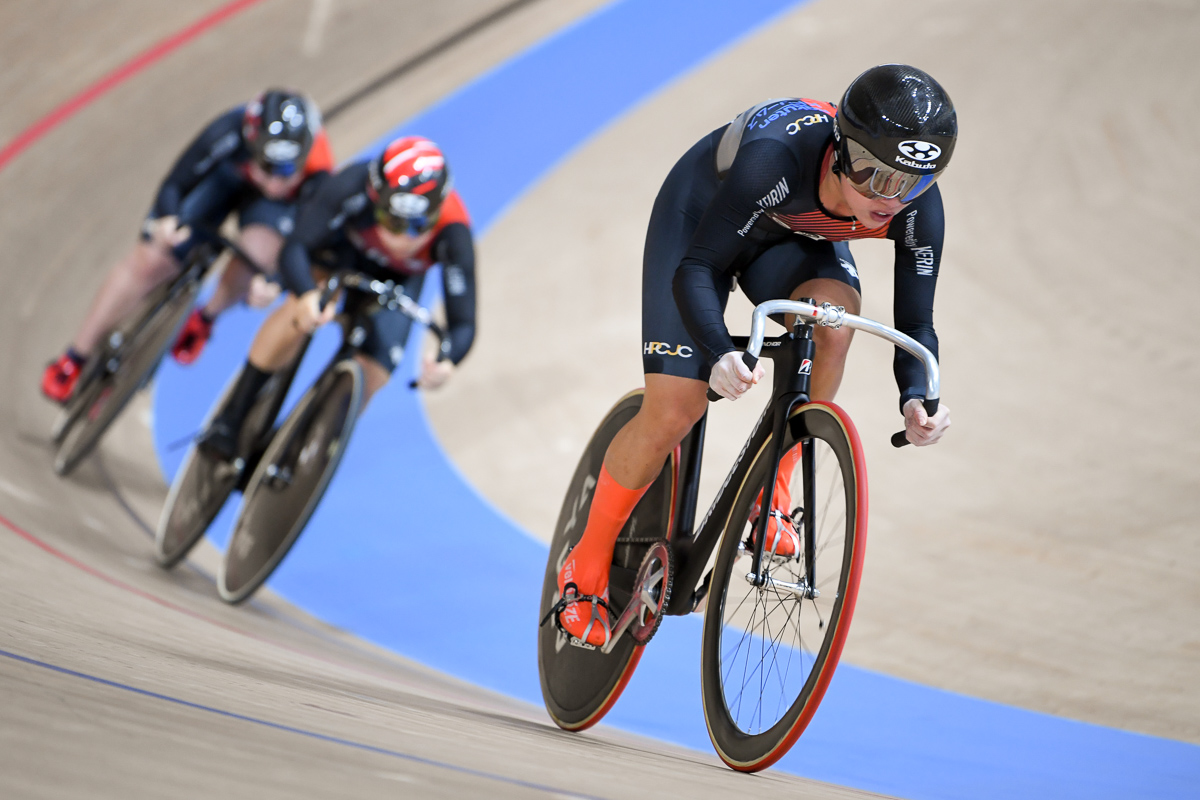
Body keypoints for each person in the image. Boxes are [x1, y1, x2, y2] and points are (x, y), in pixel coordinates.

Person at [555, 64, 958, 647]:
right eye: (873, 175)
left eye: (911, 183)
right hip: (704, 214)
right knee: (676, 409)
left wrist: (917, 397)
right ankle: (585, 562)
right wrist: (718, 351)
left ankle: (776, 488)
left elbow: (916, 323)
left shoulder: (917, 206)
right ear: (842, 153)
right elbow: (698, 269)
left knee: (834, 326)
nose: (887, 200)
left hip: (799, 234)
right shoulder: (776, 160)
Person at [40, 89, 334, 403]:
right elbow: (175, 185)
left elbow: (299, 244)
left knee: (259, 255)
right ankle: (74, 358)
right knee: (153, 260)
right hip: (225, 179)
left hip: (268, 208)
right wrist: (166, 220)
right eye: (267, 166)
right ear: (251, 141)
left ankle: (206, 317)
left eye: (288, 171)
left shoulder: (320, 173)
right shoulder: (228, 132)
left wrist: (273, 281)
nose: (276, 182)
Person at [194, 135, 477, 461]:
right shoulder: (352, 186)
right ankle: (231, 417)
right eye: (392, 221)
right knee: (301, 314)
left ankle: (305, 452)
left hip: (397, 280)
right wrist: (305, 294)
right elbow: (296, 247)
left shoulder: (454, 234)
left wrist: (447, 359)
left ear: (438, 211)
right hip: (342, 253)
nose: (403, 238)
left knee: (377, 370)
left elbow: (464, 322)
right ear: (375, 198)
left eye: (419, 226)